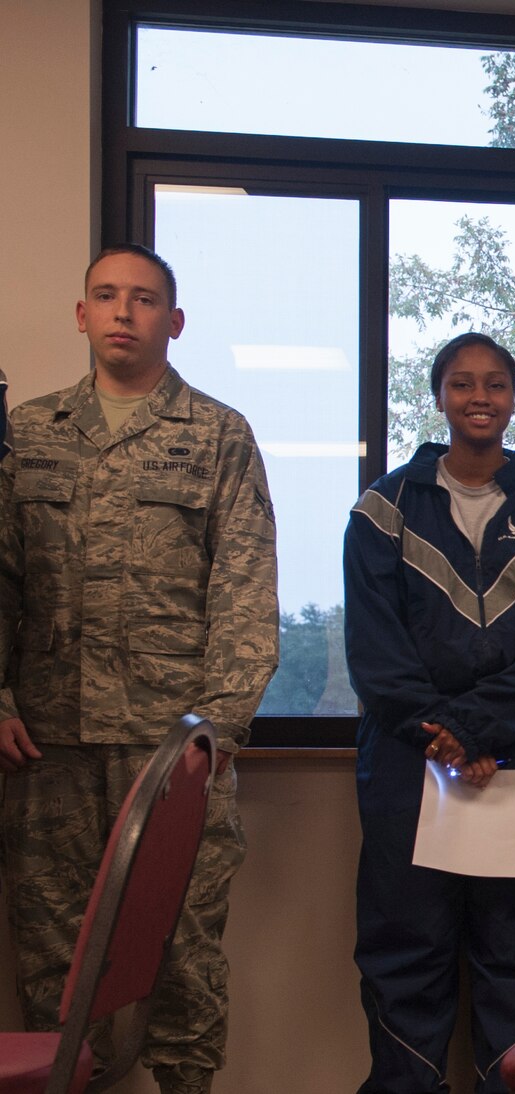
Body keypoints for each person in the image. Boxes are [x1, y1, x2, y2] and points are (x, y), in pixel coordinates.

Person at [0, 244, 277, 1094]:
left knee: (184, 959)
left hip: (171, 756)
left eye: (146, 299)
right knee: (56, 968)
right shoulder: (24, 435)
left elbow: (245, 589)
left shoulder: (218, 435)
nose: (125, 313)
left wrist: (214, 734)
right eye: (107, 297)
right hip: (46, 749)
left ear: (175, 321)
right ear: (81, 315)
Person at [343, 332, 515, 1093]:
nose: (478, 398)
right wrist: (446, 737)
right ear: (439, 395)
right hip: (410, 762)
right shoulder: (382, 509)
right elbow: (376, 656)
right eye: (461, 384)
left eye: (493, 384)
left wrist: (479, 731)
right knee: (404, 953)